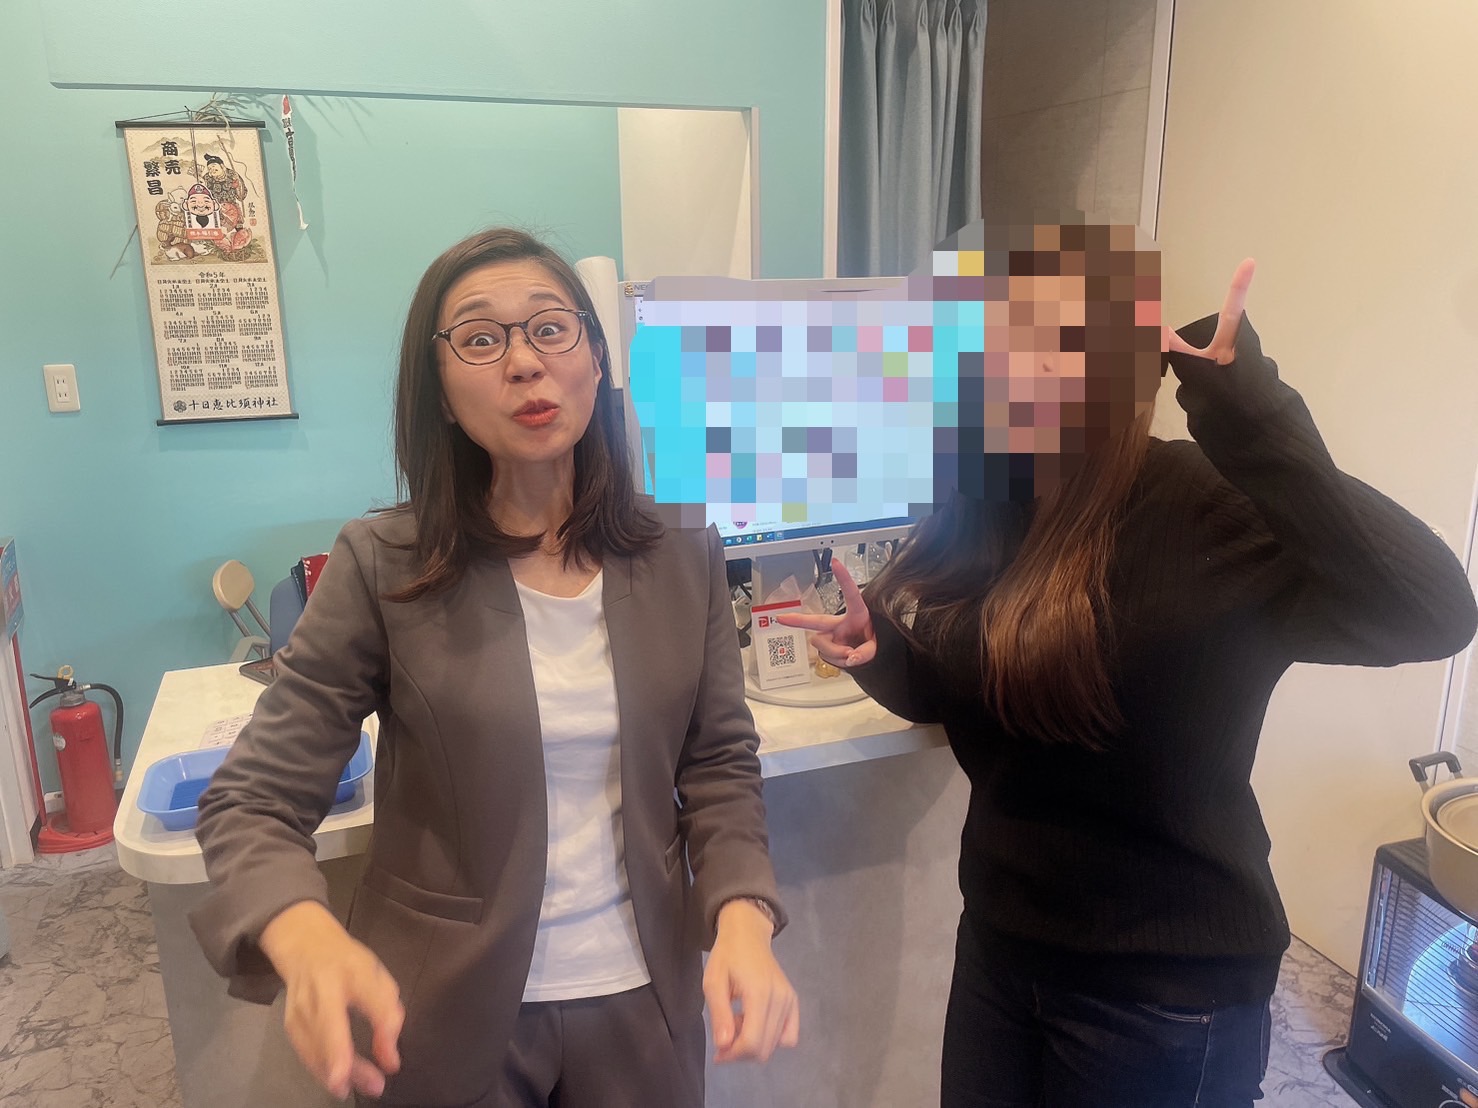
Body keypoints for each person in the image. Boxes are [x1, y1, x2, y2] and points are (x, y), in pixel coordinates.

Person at [781, 223, 1478, 1107]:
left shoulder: (1208, 511)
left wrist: (1245, 407)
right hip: (1002, 952)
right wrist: (883, 658)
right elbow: (983, 697)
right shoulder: (990, 503)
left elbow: (1434, 612)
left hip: (1167, 997)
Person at [191, 227, 799, 1108]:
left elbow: (717, 764)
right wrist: (302, 931)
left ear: (596, 355)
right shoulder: (384, 563)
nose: (524, 362)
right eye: (480, 338)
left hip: (644, 1003)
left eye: (551, 327)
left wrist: (742, 911)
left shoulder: (680, 547)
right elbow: (254, 798)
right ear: (439, 393)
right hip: (445, 1008)